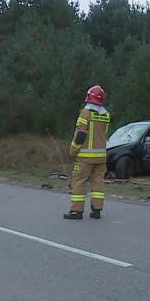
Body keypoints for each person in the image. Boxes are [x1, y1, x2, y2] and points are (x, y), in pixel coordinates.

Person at [65, 85, 111, 220]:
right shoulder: (106, 115)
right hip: (101, 157)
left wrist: (73, 150)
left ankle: (76, 212)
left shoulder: (85, 113)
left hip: (85, 157)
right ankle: (96, 211)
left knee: (79, 182)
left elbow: (80, 135)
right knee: (98, 182)